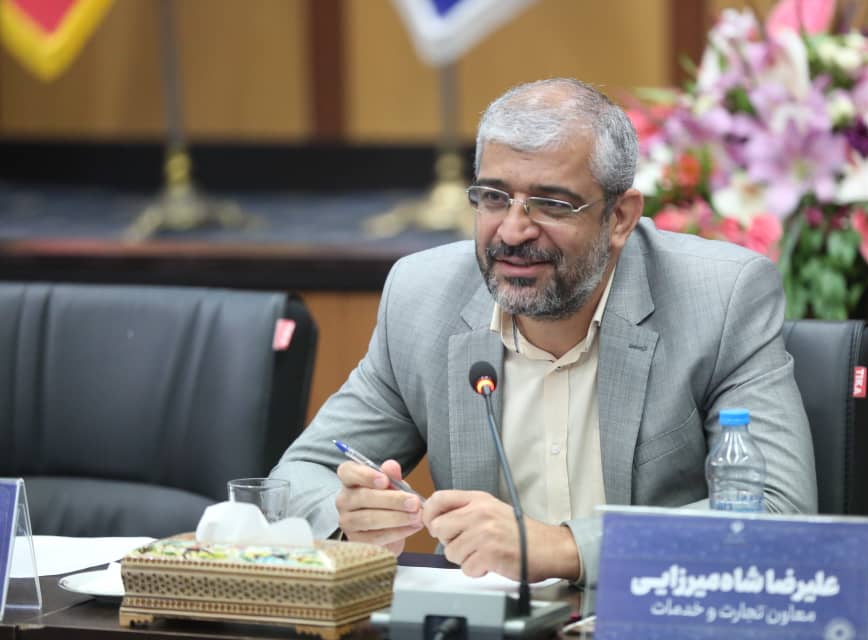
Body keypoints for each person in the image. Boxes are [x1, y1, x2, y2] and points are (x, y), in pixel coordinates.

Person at [270, 78, 817, 586]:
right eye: (493, 197)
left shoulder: (719, 298)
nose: (513, 231)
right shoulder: (423, 299)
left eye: (552, 204)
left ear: (620, 218)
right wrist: (349, 515)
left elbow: (777, 513)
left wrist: (565, 548)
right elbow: (298, 477)